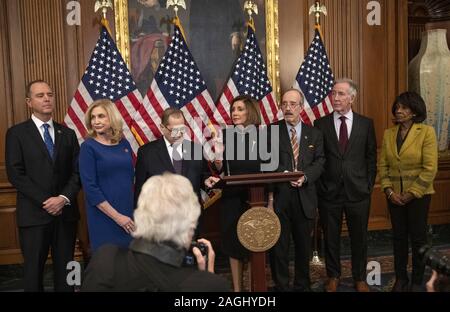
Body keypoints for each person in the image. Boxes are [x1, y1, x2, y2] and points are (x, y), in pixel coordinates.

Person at [81, 172, 230, 292]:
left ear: (141, 215)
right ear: (190, 227)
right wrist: (206, 281)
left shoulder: (105, 261)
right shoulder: (209, 285)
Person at [5, 80, 81, 291]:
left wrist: (63, 199)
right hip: (34, 214)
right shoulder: (16, 134)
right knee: (33, 271)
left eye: (50, 94)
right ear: (29, 102)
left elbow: (77, 172)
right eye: (40, 95)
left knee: (68, 270)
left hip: (65, 214)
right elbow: (15, 174)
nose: (47, 98)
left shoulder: (68, 134)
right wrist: (46, 201)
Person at [314, 78, 377, 292]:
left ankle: (360, 277)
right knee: (330, 237)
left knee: (359, 237)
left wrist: (368, 185)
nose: (336, 98)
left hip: (358, 192)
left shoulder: (366, 124)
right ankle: (333, 275)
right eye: (334, 94)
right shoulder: (320, 124)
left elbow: (371, 158)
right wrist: (321, 186)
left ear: (352, 97)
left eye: (341, 94)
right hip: (329, 192)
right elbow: (318, 157)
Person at [378, 92, 438, 292]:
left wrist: (411, 193)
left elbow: (430, 168)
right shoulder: (389, 133)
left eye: (404, 107)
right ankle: (401, 278)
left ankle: (417, 280)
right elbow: (383, 166)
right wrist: (388, 191)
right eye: (397, 107)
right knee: (398, 238)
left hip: (419, 196)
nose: (399, 111)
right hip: (394, 196)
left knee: (418, 239)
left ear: (414, 111)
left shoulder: (426, 132)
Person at [268, 89, 325, 292]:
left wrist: (305, 176)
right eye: (284, 104)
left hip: (305, 197)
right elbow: (265, 161)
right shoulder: (271, 131)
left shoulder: (315, 134)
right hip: (280, 198)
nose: (288, 108)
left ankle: (303, 284)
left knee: (303, 246)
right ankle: (282, 285)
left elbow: (320, 162)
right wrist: (282, 174)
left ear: (301, 107)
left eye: (293, 104)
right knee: (279, 247)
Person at [206, 95, 264, 292]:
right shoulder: (225, 136)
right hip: (231, 198)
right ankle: (238, 291)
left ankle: (253, 288)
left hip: (254, 198)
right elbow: (224, 171)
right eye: (233, 110)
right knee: (232, 244)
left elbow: (267, 171)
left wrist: (270, 200)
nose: (235, 113)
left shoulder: (263, 136)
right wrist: (219, 163)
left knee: (253, 243)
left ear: (250, 111)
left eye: (240, 109)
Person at [79, 99, 135, 253]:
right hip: (104, 216)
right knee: (108, 265)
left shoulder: (124, 144)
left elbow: (130, 178)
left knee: (129, 265)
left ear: (112, 117)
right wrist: (118, 217)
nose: (96, 121)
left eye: (101, 116)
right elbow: (90, 189)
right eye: (93, 117)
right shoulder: (88, 147)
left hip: (128, 213)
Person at [135, 108, 208, 206]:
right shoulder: (146, 153)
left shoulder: (196, 150)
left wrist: (207, 180)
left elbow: (204, 177)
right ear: (162, 127)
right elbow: (140, 193)